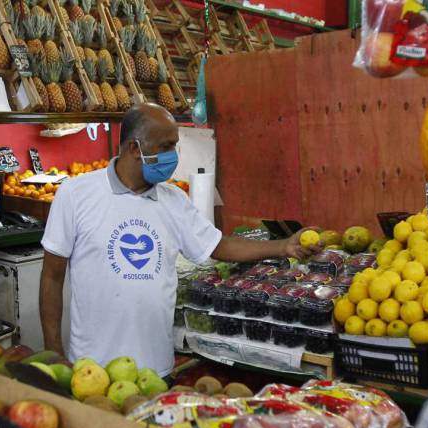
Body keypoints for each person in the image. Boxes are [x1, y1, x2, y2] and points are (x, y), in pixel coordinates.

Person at [39, 103, 322, 376]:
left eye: (174, 145)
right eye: (165, 147)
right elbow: (52, 277)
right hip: (93, 368)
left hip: (155, 366)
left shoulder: (174, 200)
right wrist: (53, 350)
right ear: (133, 149)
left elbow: (219, 246)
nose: (173, 156)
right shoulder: (76, 195)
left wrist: (284, 246)